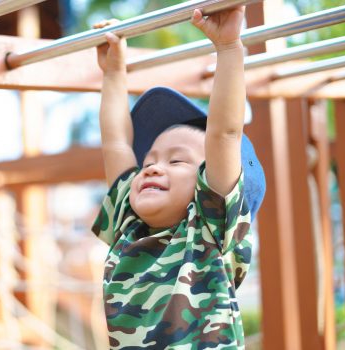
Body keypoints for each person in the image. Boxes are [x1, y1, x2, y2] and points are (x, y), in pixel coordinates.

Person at [91, 6, 266, 349]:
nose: (153, 167)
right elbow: (115, 142)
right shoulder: (128, 225)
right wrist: (113, 74)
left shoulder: (208, 231)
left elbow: (224, 134)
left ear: (208, 184)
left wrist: (229, 48)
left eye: (177, 161)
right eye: (150, 160)